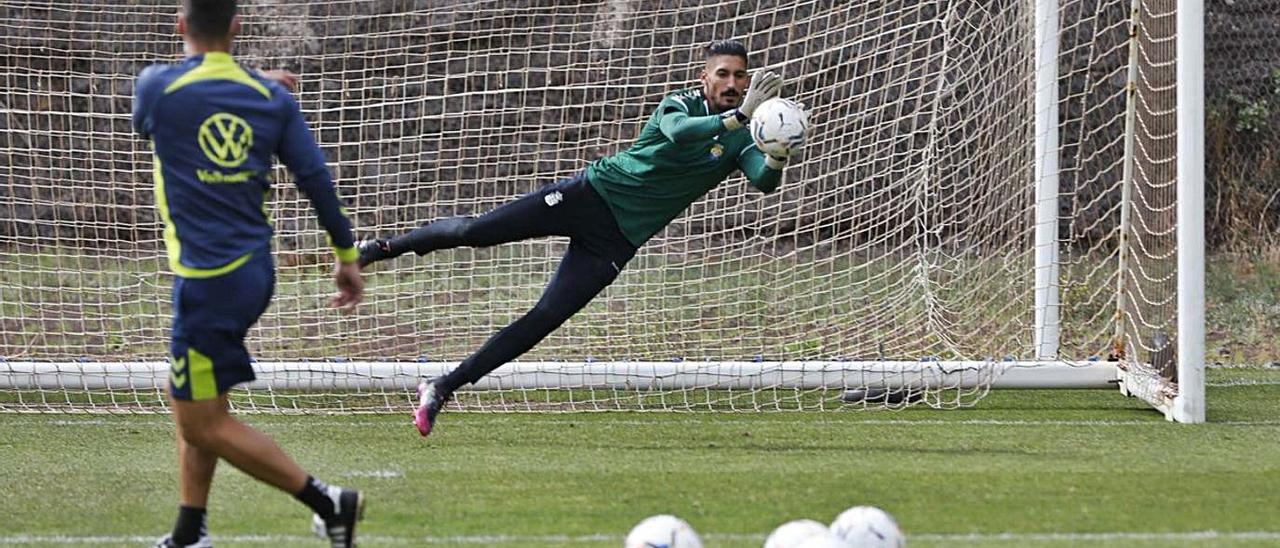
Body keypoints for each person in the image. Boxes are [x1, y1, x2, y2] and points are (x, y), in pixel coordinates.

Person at [357, 39, 799, 438]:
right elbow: (681, 133)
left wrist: (777, 153)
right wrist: (738, 117)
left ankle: (443, 386)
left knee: (545, 316)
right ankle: (381, 248)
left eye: (740, 75)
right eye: (723, 73)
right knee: (478, 232)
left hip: (617, 241)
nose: (732, 81)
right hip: (588, 195)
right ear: (704, 77)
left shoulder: (743, 136)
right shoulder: (680, 104)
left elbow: (762, 181)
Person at [132, 1, 366, 546]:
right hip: (254, 271)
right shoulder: (271, 100)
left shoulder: (156, 89)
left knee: (199, 422)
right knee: (195, 397)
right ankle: (190, 531)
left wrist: (243, 78)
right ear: (237, 27)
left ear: (179, 26)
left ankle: (328, 502)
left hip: (208, 280)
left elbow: (176, 97)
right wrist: (346, 257)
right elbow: (317, 181)